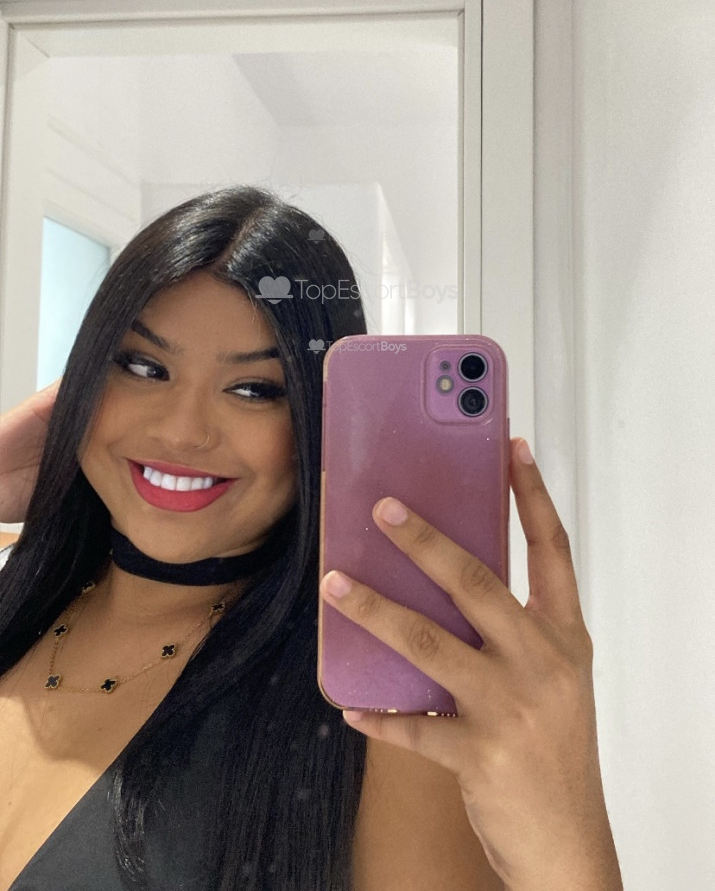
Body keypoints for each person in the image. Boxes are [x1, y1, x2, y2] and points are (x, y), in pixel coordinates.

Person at [0, 185, 623, 891]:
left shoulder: (375, 721)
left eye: (254, 389)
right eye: (145, 367)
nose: (181, 430)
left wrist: (571, 845)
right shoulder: (20, 601)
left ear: (320, 421)